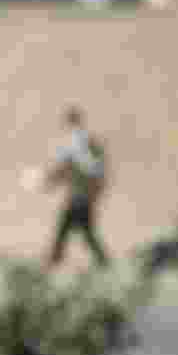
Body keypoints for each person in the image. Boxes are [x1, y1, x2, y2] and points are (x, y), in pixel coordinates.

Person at [44, 106, 110, 268]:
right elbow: (65, 169)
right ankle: (102, 261)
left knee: (67, 227)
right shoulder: (84, 144)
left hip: (81, 196)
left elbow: (90, 169)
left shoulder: (80, 145)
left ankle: (54, 260)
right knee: (82, 230)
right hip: (82, 195)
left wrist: (50, 180)